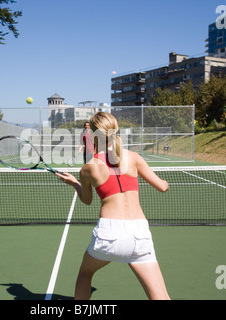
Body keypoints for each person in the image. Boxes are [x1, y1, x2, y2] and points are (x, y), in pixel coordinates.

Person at [56, 112, 170, 300]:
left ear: (93, 135)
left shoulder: (88, 168)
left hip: (109, 233)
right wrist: (164, 182)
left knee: (85, 273)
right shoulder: (133, 157)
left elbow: (87, 200)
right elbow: (162, 187)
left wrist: (75, 183)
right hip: (139, 234)